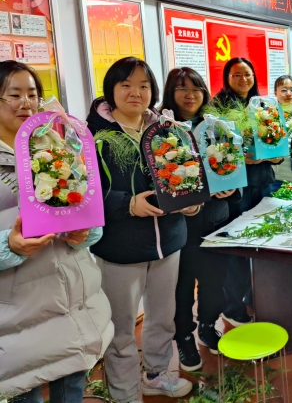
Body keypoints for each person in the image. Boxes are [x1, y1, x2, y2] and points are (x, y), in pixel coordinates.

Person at [0, 61, 113, 403]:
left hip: (72, 301)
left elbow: (89, 213)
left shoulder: (59, 148)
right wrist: (9, 245)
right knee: (26, 392)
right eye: (14, 95)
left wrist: (85, 234)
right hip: (19, 315)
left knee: (72, 389)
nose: (26, 103)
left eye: (33, 94)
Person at [87, 57, 196, 402]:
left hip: (169, 241)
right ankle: (124, 392)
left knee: (163, 317)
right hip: (121, 247)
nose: (135, 92)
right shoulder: (92, 136)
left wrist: (192, 202)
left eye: (144, 86)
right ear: (111, 90)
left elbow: (186, 174)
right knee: (121, 326)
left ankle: (156, 374)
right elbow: (82, 193)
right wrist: (126, 204)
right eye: (126, 85)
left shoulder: (167, 129)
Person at [160, 67, 240, 370]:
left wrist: (231, 187)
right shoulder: (162, 129)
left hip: (215, 219)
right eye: (182, 88)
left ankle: (208, 326)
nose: (190, 95)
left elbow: (233, 166)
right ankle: (184, 337)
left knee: (214, 278)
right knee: (182, 285)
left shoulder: (217, 126)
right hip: (179, 225)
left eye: (195, 89)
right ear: (171, 93)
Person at [214, 57, 280, 326]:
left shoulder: (263, 105)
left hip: (264, 181)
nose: (243, 79)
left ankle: (257, 295)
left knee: (263, 240)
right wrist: (241, 159)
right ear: (227, 78)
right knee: (237, 246)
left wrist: (276, 155)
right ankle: (233, 305)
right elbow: (215, 149)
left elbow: (276, 141)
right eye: (237, 75)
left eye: (248, 74)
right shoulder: (217, 107)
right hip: (236, 187)